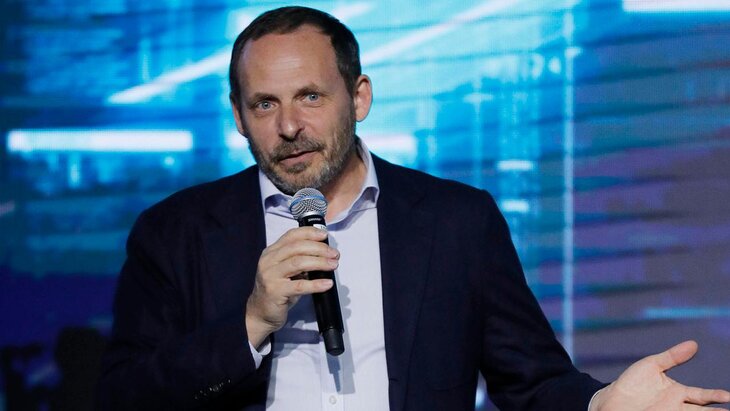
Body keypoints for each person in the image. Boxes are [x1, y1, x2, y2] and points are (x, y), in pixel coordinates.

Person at [97, 6, 730, 411]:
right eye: (265, 104)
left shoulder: (457, 221)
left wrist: (600, 406)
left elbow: (531, 380)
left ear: (359, 97)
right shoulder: (175, 232)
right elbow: (123, 396)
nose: (289, 126)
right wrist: (252, 320)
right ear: (238, 116)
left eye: (311, 96)